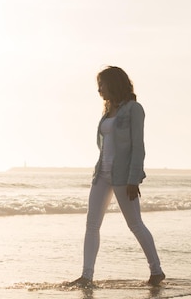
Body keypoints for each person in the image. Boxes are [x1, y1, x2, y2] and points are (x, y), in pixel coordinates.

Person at [70, 66, 165, 287]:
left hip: (124, 177)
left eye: (101, 84)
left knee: (135, 225)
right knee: (91, 225)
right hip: (101, 175)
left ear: (113, 83)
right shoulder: (107, 112)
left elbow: (138, 146)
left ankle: (157, 271)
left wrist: (134, 179)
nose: (99, 90)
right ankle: (86, 276)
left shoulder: (134, 109)